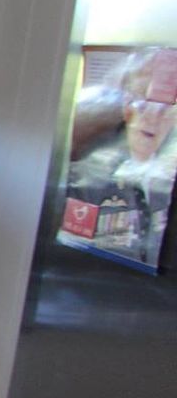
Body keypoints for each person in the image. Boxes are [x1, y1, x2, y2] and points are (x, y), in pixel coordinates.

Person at [61, 47, 177, 265]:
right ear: (125, 108)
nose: (153, 117)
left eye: (167, 108)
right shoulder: (89, 173)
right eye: (142, 104)